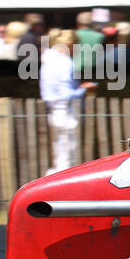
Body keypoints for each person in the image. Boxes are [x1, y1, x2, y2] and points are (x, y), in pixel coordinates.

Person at [40, 30, 97, 175]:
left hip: (53, 110)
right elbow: (66, 93)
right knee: (67, 157)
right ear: (70, 45)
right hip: (66, 111)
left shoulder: (48, 61)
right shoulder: (65, 62)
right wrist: (84, 89)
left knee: (60, 154)